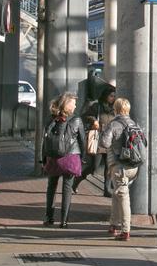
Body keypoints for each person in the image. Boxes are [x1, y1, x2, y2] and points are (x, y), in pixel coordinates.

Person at [101, 96, 144, 240]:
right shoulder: (134, 124)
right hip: (134, 166)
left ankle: (125, 231)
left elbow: (105, 144)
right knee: (117, 194)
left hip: (120, 166)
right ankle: (113, 224)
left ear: (115, 109)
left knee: (123, 196)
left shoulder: (113, 124)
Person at [43, 92, 87, 227]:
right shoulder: (76, 120)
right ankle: (64, 221)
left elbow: (45, 141)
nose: (75, 106)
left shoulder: (51, 119)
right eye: (73, 103)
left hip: (53, 157)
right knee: (67, 188)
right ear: (67, 105)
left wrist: (44, 158)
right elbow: (82, 140)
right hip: (70, 157)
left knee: (51, 187)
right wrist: (83, 157)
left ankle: (49, 218)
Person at [75, 83, 117, 193]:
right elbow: (85, 115)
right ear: (105, 96)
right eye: (111, 96)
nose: (113, 98)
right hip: (98, 140)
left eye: (114, 96)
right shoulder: (97, 106)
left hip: (110, 141)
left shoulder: (114, 109)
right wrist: (93, 120)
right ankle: (76, 181)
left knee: (109, 167)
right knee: (93, 167)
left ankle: (107, 190)